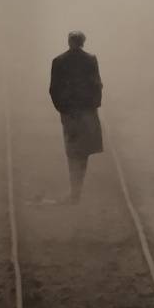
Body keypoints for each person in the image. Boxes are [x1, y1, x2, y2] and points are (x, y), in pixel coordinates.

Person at [48, 31, 103, 204]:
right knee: (84, 151)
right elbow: (97, 85)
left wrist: (62, 109)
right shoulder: (91, 60)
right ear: (83, 42)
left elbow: (53, 89)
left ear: (69, 42)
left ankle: (74, 192)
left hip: (70, 112)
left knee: (72, 150)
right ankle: (77, 191)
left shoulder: (59, 61)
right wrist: (93, 106)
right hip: (87, 112)